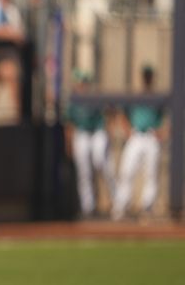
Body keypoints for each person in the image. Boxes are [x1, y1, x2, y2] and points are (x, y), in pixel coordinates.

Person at [111, 65, 165, 220]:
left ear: (152, 78)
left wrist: (162, 132)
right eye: (146, 76)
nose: (147, 79)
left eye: (149, 76)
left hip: (151, 136)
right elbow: (122, 113)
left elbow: (167, 116)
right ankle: (121, 206)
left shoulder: (157, 98)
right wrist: (127, 131)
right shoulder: (136, 95)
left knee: (151, 174)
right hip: (136, 135)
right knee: (127, 171)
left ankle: (147, 207)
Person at [64, 70, 115, 217]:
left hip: (97, 132)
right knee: (84, 171)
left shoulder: (94, 97)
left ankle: (118, 201)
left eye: (84, 83)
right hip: (82, 133)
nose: (82, 86)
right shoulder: (73, 100)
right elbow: (69, 123)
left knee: (102, 162)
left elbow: (110, 112)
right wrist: (69, 143)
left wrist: (109, 130)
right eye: (79, 83)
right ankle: (88, 207)